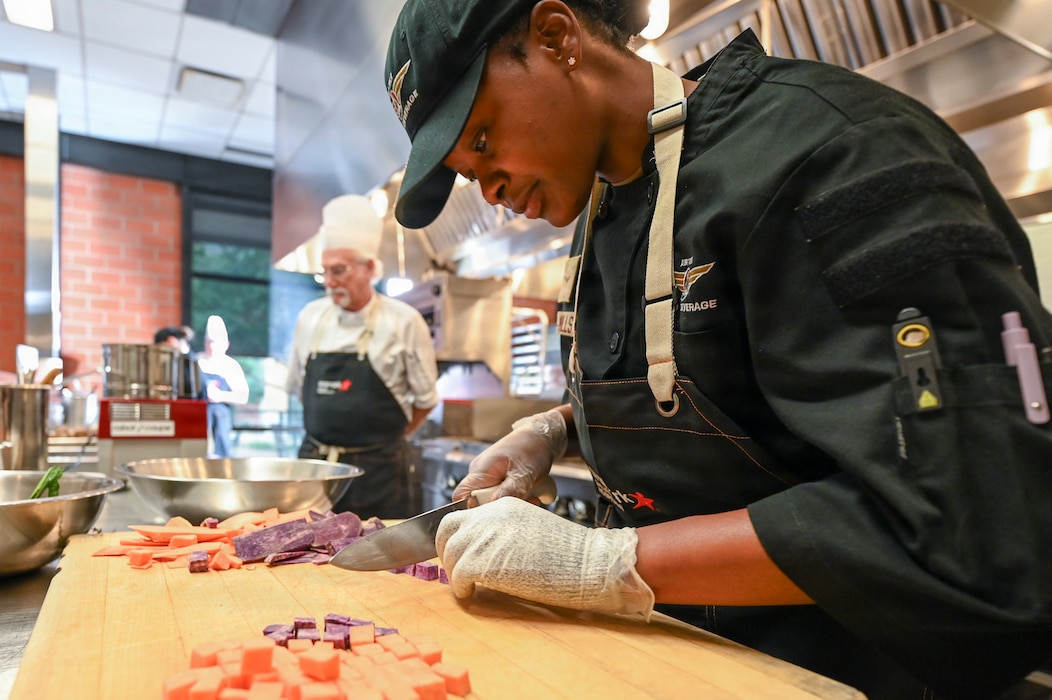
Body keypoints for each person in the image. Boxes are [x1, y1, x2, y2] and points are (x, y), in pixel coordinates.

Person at [382, 1, 1052, 699]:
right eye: (468, 173)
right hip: (677, 665)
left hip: (837, 673)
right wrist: (550, 431)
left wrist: (597, 562)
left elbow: (960, 514)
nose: (487, 191)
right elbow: (720, 385)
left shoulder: (830, 154)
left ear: (556, 37)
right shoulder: (602, 210)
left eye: (484, 141)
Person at [285, 193, 439, 519]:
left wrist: (378, 444)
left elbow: (425, 401)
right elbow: (301, 390)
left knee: (379, 561)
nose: (329, 282)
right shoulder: (310, 318)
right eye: (324, 272)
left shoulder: (403, 321)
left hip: (379, 473)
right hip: (315, 468)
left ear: (369, 268)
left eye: (339, 271)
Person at [197, 315, 249, 458]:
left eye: (215, 343)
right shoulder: (197, 362)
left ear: (226, 344)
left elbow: (243, 396)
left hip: (220, 423)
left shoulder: (230, 366)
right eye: (209, 342)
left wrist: (220, 396)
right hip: (198, 423)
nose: (212, 347)